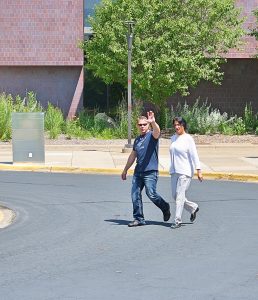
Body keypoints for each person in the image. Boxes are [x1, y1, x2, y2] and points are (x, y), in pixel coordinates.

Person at [121, 111, 171, 227]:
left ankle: (165, 207)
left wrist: (153, 122)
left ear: (147, 125)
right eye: (140, 125)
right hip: (138, 172)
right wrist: (125, 170)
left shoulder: (152, 136)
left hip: (150, 172)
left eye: (144, 124)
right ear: (137, 126)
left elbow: (157, 131)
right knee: (135, 195)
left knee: (151, 194)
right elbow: (133, 156)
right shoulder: (137, 140)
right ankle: (139, 219)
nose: (142, 126)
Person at [169, 117, 203, 229]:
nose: (177, 127)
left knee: (179, 196)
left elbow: (194, 155)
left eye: (179, 124)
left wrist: (199, 170)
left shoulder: (188, 139)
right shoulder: (173, 138)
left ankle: (177, 220)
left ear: (183, 125)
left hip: (185, 172)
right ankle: (193, 208)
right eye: (175, 125)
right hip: (174, 171)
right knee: (175, 195)